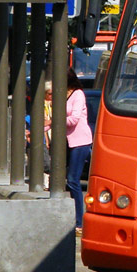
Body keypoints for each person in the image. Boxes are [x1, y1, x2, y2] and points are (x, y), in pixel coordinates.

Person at [46, 67, 93, 234]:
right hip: (68, 141)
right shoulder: (65, 95)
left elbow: (73, 119)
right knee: (62, 178)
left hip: (80, 141)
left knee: (73, 180)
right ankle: (73, 217)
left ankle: (79, 221)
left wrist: (54, 120)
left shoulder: (78, 94)